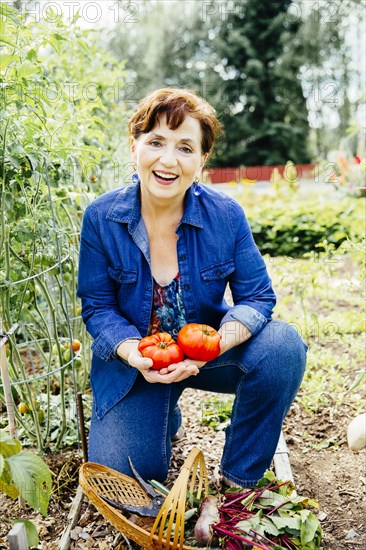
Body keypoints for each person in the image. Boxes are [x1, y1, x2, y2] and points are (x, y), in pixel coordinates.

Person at [77, 87, 307, 488]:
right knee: (125, 474)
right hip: (138, 367)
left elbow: (257, 296)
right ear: (134, 147)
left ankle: (239, 479)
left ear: (202, 160)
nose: (168, 160)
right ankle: (160, 412)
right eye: (156, 142)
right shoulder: (102, 217)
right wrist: (134, 355)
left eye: (185, 148)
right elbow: (97, 306)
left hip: (204, 354)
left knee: (282, 347)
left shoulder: (225, 215)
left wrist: (214, 346)